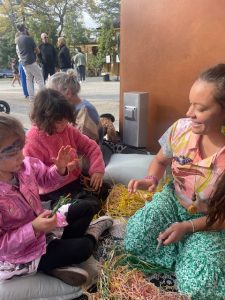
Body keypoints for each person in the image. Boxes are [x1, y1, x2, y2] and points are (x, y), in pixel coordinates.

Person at [124, 64, 225, 299]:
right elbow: (159, 162)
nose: (189, 113)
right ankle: (186, 252)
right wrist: (151, 180)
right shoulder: (181, 130)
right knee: (135, 237)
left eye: (200, 108)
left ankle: (194, 254)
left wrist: (187, 227)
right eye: (190, 103)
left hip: (211, 221)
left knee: (200, 283)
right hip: (173, 202)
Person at [0, 113, 114, 285]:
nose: (22, 157)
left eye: (21, 149)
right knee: (84, 248)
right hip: (22, 253)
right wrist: (33, 228)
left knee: (87, 206)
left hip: (44, 228)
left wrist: (59, 169)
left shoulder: (25, 166)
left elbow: (46, 178)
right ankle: (90, 234)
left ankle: (58, 261)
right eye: (13, 153)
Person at [23, 88, 105, 208]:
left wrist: (97, 169)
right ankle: (55, 209)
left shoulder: (68, 129)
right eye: (59, 122)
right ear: (44, 119)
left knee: (105, 191)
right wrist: (60, 170)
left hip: (74, 182)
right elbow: (35, 178)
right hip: (52, 191)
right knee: (87, 206)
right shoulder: (32, 140)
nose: (65, 124)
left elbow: (90, 146)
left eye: (66, 119)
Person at [46, 70, 103, 144]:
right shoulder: (73, 108)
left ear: (68, 93)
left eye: (53, 95)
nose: (49, 99)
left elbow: (84, 147)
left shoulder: (84, 112)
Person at [16, 24, 44, 101]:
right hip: (31, 61)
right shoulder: (29, 38)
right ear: (25, 29)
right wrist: (34, 51)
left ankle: (31, 97)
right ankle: (43, 97)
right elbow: (38, 51)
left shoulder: (18, 40)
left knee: (29, 79)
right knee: (40, 79)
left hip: (24, 63)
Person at [15, 32, 29, 98]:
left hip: (23, 62)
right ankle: (26, 93)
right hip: (23, 61)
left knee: (26, 78)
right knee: (25, 79)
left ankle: (27, 93)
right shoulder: (19, 44)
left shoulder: (18, 44)